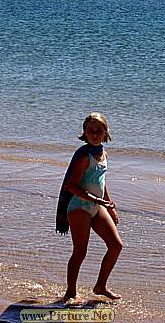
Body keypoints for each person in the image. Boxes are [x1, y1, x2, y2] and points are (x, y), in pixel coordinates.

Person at [56, 112, 123, 302]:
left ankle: (100, 286)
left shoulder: (102, 153)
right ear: (84, 133)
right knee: (80, 251)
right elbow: (71, 185)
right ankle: (70, 292)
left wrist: (109, 206)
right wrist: (96, 199)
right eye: (90, 131)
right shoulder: (84, 156)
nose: (95, 134)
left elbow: (101, 182)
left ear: (105, 133)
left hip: (97, 205)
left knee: (116, 246)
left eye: (99, 131)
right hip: (79, 207)